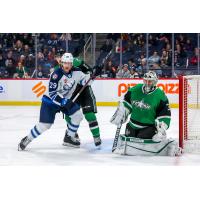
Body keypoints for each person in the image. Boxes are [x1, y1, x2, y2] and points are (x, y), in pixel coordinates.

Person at [18, 53, 91, 150]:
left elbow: (85, 82)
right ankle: (27, 139)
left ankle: (69, 137)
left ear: (72, 64)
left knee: (78, 115)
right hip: (50, 102)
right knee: (45, 125)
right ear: (61, 63)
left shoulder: (77, 72)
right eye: (65, 63)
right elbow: (52, 94)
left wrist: (92, 75)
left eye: (69, 63)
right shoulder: (56, 75)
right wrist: (64, 102)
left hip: (65, 101)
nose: (67, 65)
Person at [110, 71, 182, 156]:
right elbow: (127, 102)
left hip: (147, 128)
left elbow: (165, 114)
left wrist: (161, 129)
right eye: (145, 80)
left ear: (155, 82)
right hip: (132, 125)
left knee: (142, 140)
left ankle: (169, 146)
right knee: (129, 137)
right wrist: (122, 112)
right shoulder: (135, 89)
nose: (147, 83)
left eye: (150, 81)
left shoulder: (160, 95)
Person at [62, 57, 102, 147]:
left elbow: (90, 72)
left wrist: (94, 73)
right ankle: (72, 134)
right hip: (71, 93)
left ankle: (96, 136)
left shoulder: (76, 62)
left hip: (85, 91)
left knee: (89, 115)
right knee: (69, 115)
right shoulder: (58, 70)